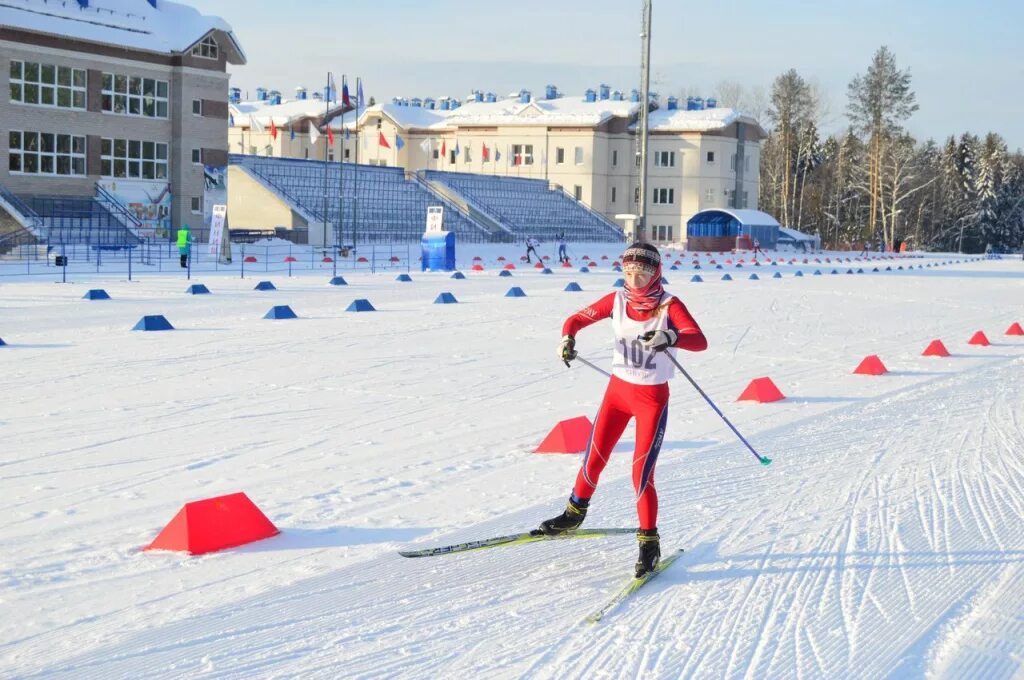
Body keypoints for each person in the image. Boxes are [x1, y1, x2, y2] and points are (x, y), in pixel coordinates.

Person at [540, 242, 708, 577]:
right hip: (617, 394)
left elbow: (698, 340)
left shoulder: (669, 305)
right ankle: (574, 514)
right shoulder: (616, 300)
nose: (634, 279)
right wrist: (567, 340)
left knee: (641, 474)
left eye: (642, 273)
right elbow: (575, 320)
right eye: (628, 272)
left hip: (651, 399)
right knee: (594, 458)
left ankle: (649, 543)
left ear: (655, 273)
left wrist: (670, 337)